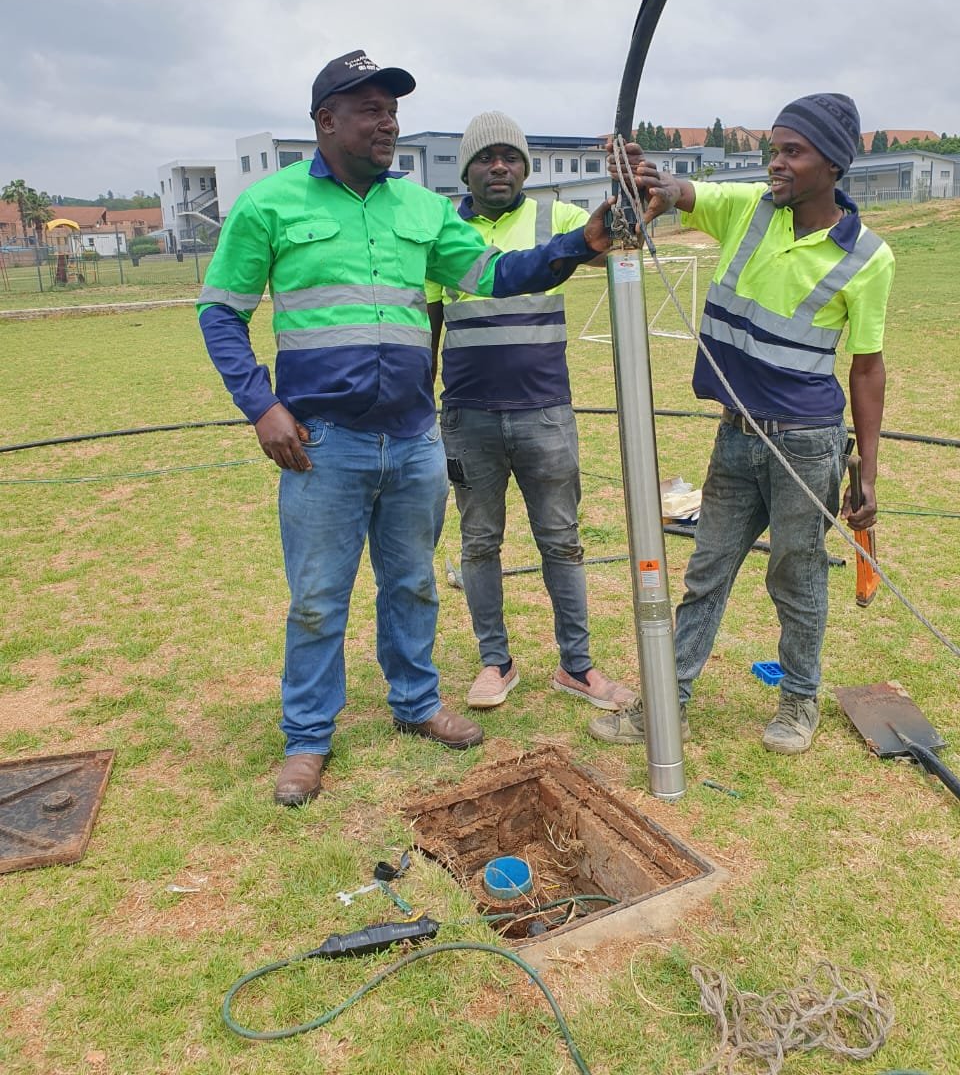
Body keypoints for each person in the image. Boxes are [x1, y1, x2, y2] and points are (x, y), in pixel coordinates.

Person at [198, 51, 614, 805]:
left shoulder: (422, 210)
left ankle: (416, 704)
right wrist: (261, 406)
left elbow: (495, 274)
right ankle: (308, 739)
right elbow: (221, 313)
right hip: (322, 445)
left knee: (414, 584)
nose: (388, 122)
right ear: (326, 121)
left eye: (393, 109)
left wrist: (578, 246)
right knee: (320, 597)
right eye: (369, 108)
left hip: (416, 439)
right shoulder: (269, 205)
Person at [590, 93, 894, 754]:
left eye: (792, 152)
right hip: (736, 437)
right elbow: (675, 191)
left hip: (806, 447)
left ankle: (799, 701)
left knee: (797, 575)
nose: (775, 163)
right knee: (706, 573)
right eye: (772, 150)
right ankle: (663, 706)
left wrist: (867, 473)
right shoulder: (748, 210)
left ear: (834, 163)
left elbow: (867, 370)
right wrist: (644, 178)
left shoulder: (869, 257)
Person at [427, 112, 636, 713]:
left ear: (525, 167)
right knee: (478, 543)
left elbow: (617, 231)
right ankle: (496, 663)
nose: (500, 166)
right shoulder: (443, 233)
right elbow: (432, 326)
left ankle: (578, 667)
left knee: (562, 542)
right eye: (486, 157)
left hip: (545, 414)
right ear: (466, 168)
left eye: (512, 157)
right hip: (467, 417)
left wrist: (627, 182)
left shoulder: (556, 220)